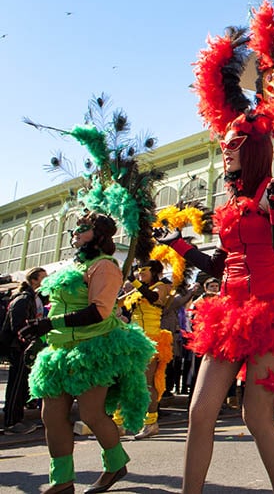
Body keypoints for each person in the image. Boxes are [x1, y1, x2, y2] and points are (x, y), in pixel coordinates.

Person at [159, 111, 274, 494]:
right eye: (224, 144)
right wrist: (178, 244)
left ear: (255, 150)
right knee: (199, 414)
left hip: (271, 310)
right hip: (228, 313)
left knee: (256, 416)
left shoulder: (273, 188)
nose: (225, 151)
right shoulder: (231, 200)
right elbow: (218, 264)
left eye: (234, 145)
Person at [19, 212, 155, 494]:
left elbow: (98, 312)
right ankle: (62, 481)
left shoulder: (105, 266)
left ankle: (116, 463)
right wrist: (41, 334)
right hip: (59, 352)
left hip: (93, 350)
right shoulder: (75, 266)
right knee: (52, 416)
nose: (75, 233)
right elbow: (59, 308)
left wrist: (49, 323)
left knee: (92, 415)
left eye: (83, 229)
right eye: (74, 229)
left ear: (100, 235)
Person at [118, 259, 173, 439]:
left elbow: (153, 298)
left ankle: (151, 423)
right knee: (123, 380)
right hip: (132, 339)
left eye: (144, 270)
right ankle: (118, 423)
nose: (139, 273)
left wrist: (134, 282)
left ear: (154, 271)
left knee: (147, 383)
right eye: (138, 270)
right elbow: (117, 303)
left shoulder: (162, 286)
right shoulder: (138, 288)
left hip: (151, 340)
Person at [3, 266, 46, 435]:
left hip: (26, 348)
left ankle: (17, 418)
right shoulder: (23, 298)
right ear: (34, 280)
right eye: (43, 277)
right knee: (16, 385)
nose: (46, 280)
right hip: (20, 348)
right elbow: (18, 326)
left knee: (22, 385)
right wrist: (29, 341)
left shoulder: (35, 297)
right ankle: (11, 422)